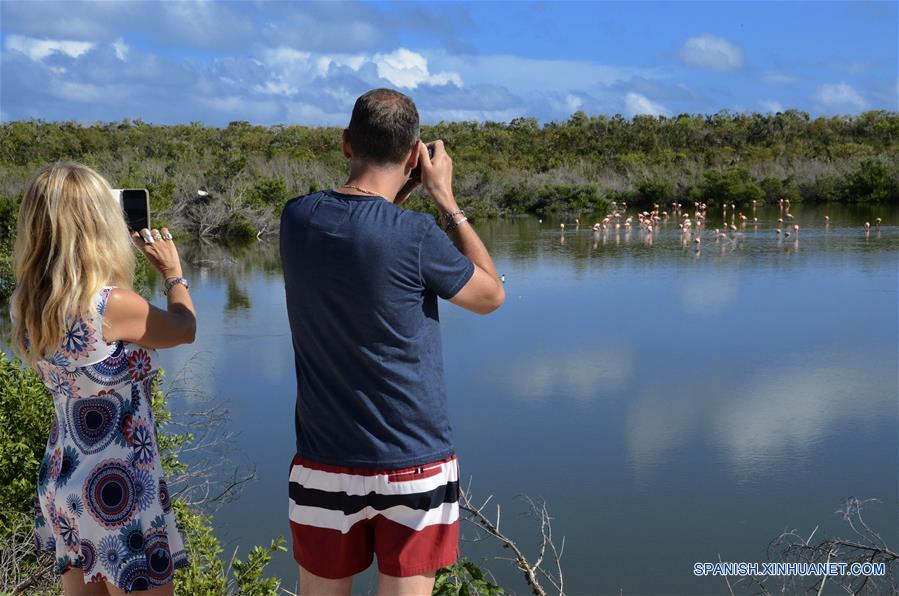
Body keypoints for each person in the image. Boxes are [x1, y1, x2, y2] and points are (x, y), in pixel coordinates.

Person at [280, 88, 505, 595]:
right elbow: (490, 296)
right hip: (412, 462)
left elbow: (364, 222)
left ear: (344, 144)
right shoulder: (418, 234)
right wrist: (446, 199)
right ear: (414, 155)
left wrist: (401, 185)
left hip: (324, 462)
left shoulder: (296, 219)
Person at [9, 163, 196, 595]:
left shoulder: (27, 302)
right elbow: (185, 329)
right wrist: (173, 275)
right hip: (120, 487)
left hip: (65, 476)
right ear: (99, 223)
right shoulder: (112, 306)